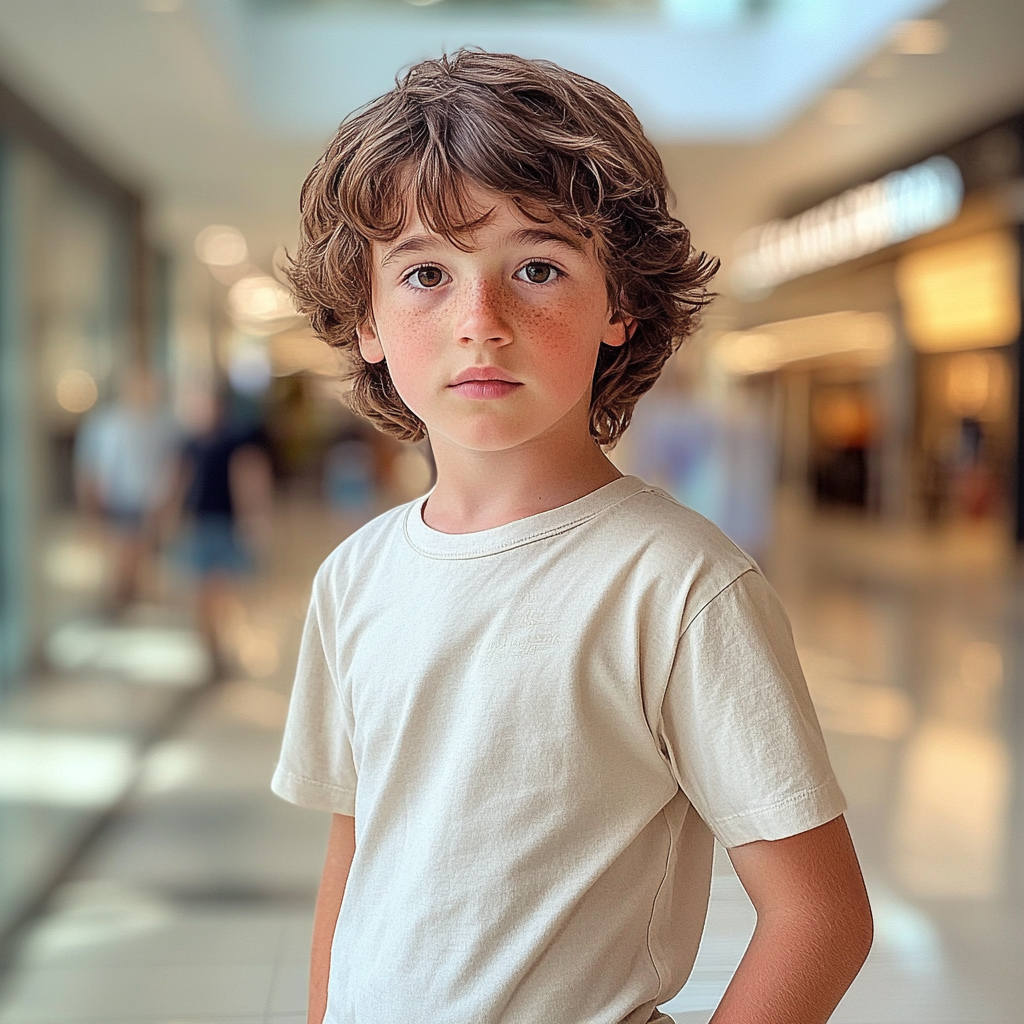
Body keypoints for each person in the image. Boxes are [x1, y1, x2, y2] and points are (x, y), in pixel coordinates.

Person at [272, 51, 873, 1024]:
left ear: (620, 304)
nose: (481, 321)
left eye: (537, 267)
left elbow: (819, 913)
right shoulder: (355, 576)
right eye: (425, 271)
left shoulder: (677, 584)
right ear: (365, 316)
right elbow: (358, 849)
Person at [176, 389, 273, 676]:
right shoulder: (189, 444)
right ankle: (209, 651)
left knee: (224, 593)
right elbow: (179, 481)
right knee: (200, 594)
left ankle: (222, 648)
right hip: (198, 525)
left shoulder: (236, 441)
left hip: (227, 525)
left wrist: (254, 520)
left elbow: (248, 480)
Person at [74, 365, 178, 612]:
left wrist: (168, 500)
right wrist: (90, 502)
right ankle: (118, 597)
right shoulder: (105, 423)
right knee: (120, 550)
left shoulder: (163, 425)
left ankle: (129, 595)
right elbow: (90, 466)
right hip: (116, 499)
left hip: (149, 501)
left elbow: (172, 465)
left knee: (140, 550)